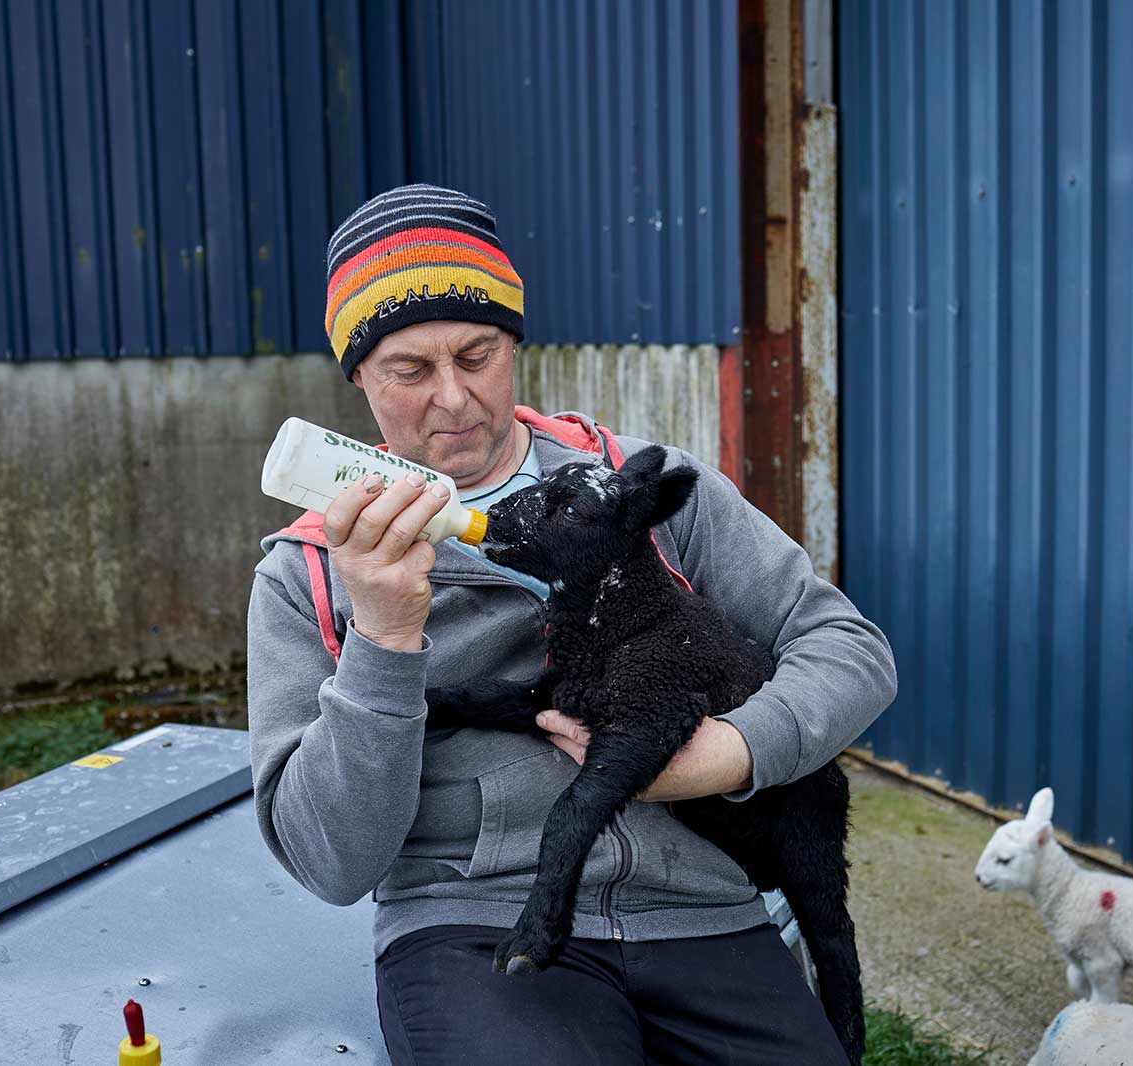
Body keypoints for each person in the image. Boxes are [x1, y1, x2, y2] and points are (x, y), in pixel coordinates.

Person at [246, 183, 897, 1065]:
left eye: (477, 354)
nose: (453, 400)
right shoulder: (309, 570)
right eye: (408, 370)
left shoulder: (641, 488)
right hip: (473, 926)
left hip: (698, 906)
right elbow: (329, 861)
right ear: (357, 375)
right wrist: (385, 634)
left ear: (515, 343)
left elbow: (850, 650)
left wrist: (733, 755)